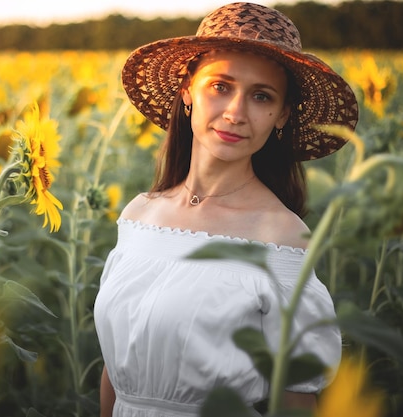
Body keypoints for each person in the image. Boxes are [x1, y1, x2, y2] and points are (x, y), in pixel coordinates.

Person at [93, 2, 359, 416]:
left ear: (283, 115)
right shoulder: (139, 215)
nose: (235, 113)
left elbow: (296, 398)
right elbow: (116, 371)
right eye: (220, 86)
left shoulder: (282, 239)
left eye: (261, 96)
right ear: (188, 91)